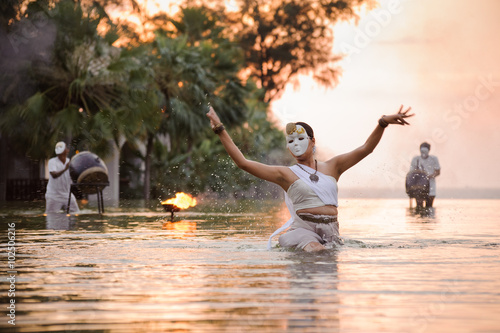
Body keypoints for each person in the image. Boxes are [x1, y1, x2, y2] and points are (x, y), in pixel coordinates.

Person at [206, 105, 413, 252]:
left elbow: (366, 149)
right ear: (288, 146)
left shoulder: (334, 166)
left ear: (313, 141)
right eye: (291, 141)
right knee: (316, 251)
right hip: (303, 231)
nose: (296, 144)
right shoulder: (285, 174)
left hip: (331, 232)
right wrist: (220, 129)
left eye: (301, 139)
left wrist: (383, 122)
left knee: (328, 263)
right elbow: (243, 163)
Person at [45, 141, 80, 214]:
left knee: (76, 213)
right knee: (51, 215)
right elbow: (54, 175)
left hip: (67, 194)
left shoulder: (70, 162)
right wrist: (65, 168)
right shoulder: (52, 161)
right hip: (53, 195)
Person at [409, 142, 440, 209]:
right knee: (419, 207)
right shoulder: (415, 159)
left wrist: (428, 176)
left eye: (425, 151)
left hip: (431, 185)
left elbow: (438, 172)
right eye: (422, 151)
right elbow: (411, 173)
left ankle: (428, 219)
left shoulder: (434, 159)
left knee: (429, 207)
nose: (423, 153)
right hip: (419, 186)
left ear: (429, 150)